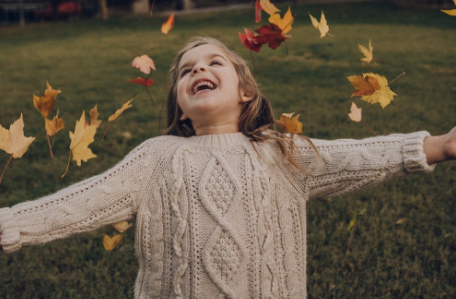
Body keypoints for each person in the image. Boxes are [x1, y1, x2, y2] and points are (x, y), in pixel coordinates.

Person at [0, 36, 454, 299]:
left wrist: (435, 146)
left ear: (245, 93)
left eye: (214, 62)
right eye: (186, 70)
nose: (200, 68)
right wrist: (10, 222)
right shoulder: (158, 157)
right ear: (179, 107)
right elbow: (83, 202)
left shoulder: (279, 152)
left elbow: (356, 155)